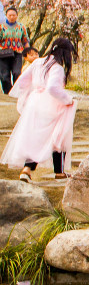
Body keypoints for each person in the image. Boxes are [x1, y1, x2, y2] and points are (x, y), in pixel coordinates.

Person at [3, 37, 76, 181]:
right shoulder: (57, 68)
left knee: (36, 136)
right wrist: (68, 100)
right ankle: (58, 170)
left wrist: (29, 96)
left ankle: (27, 169)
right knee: (58, 134)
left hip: (34, 102)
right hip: (50, 104)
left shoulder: (37, 62)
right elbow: (52, 88)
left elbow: (22, 82)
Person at [0, 6, 28, 93]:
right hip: (3, 54)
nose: (12, 17)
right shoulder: (1, 27)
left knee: (17, 73)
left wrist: (28, 51)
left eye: (13, 15)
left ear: (16, 16)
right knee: (4, 76)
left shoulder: (21, 27)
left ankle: (16, 92)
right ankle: (8, 93)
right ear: (6, 16)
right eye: (10, 15)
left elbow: (25, 40)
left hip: (17, 53)